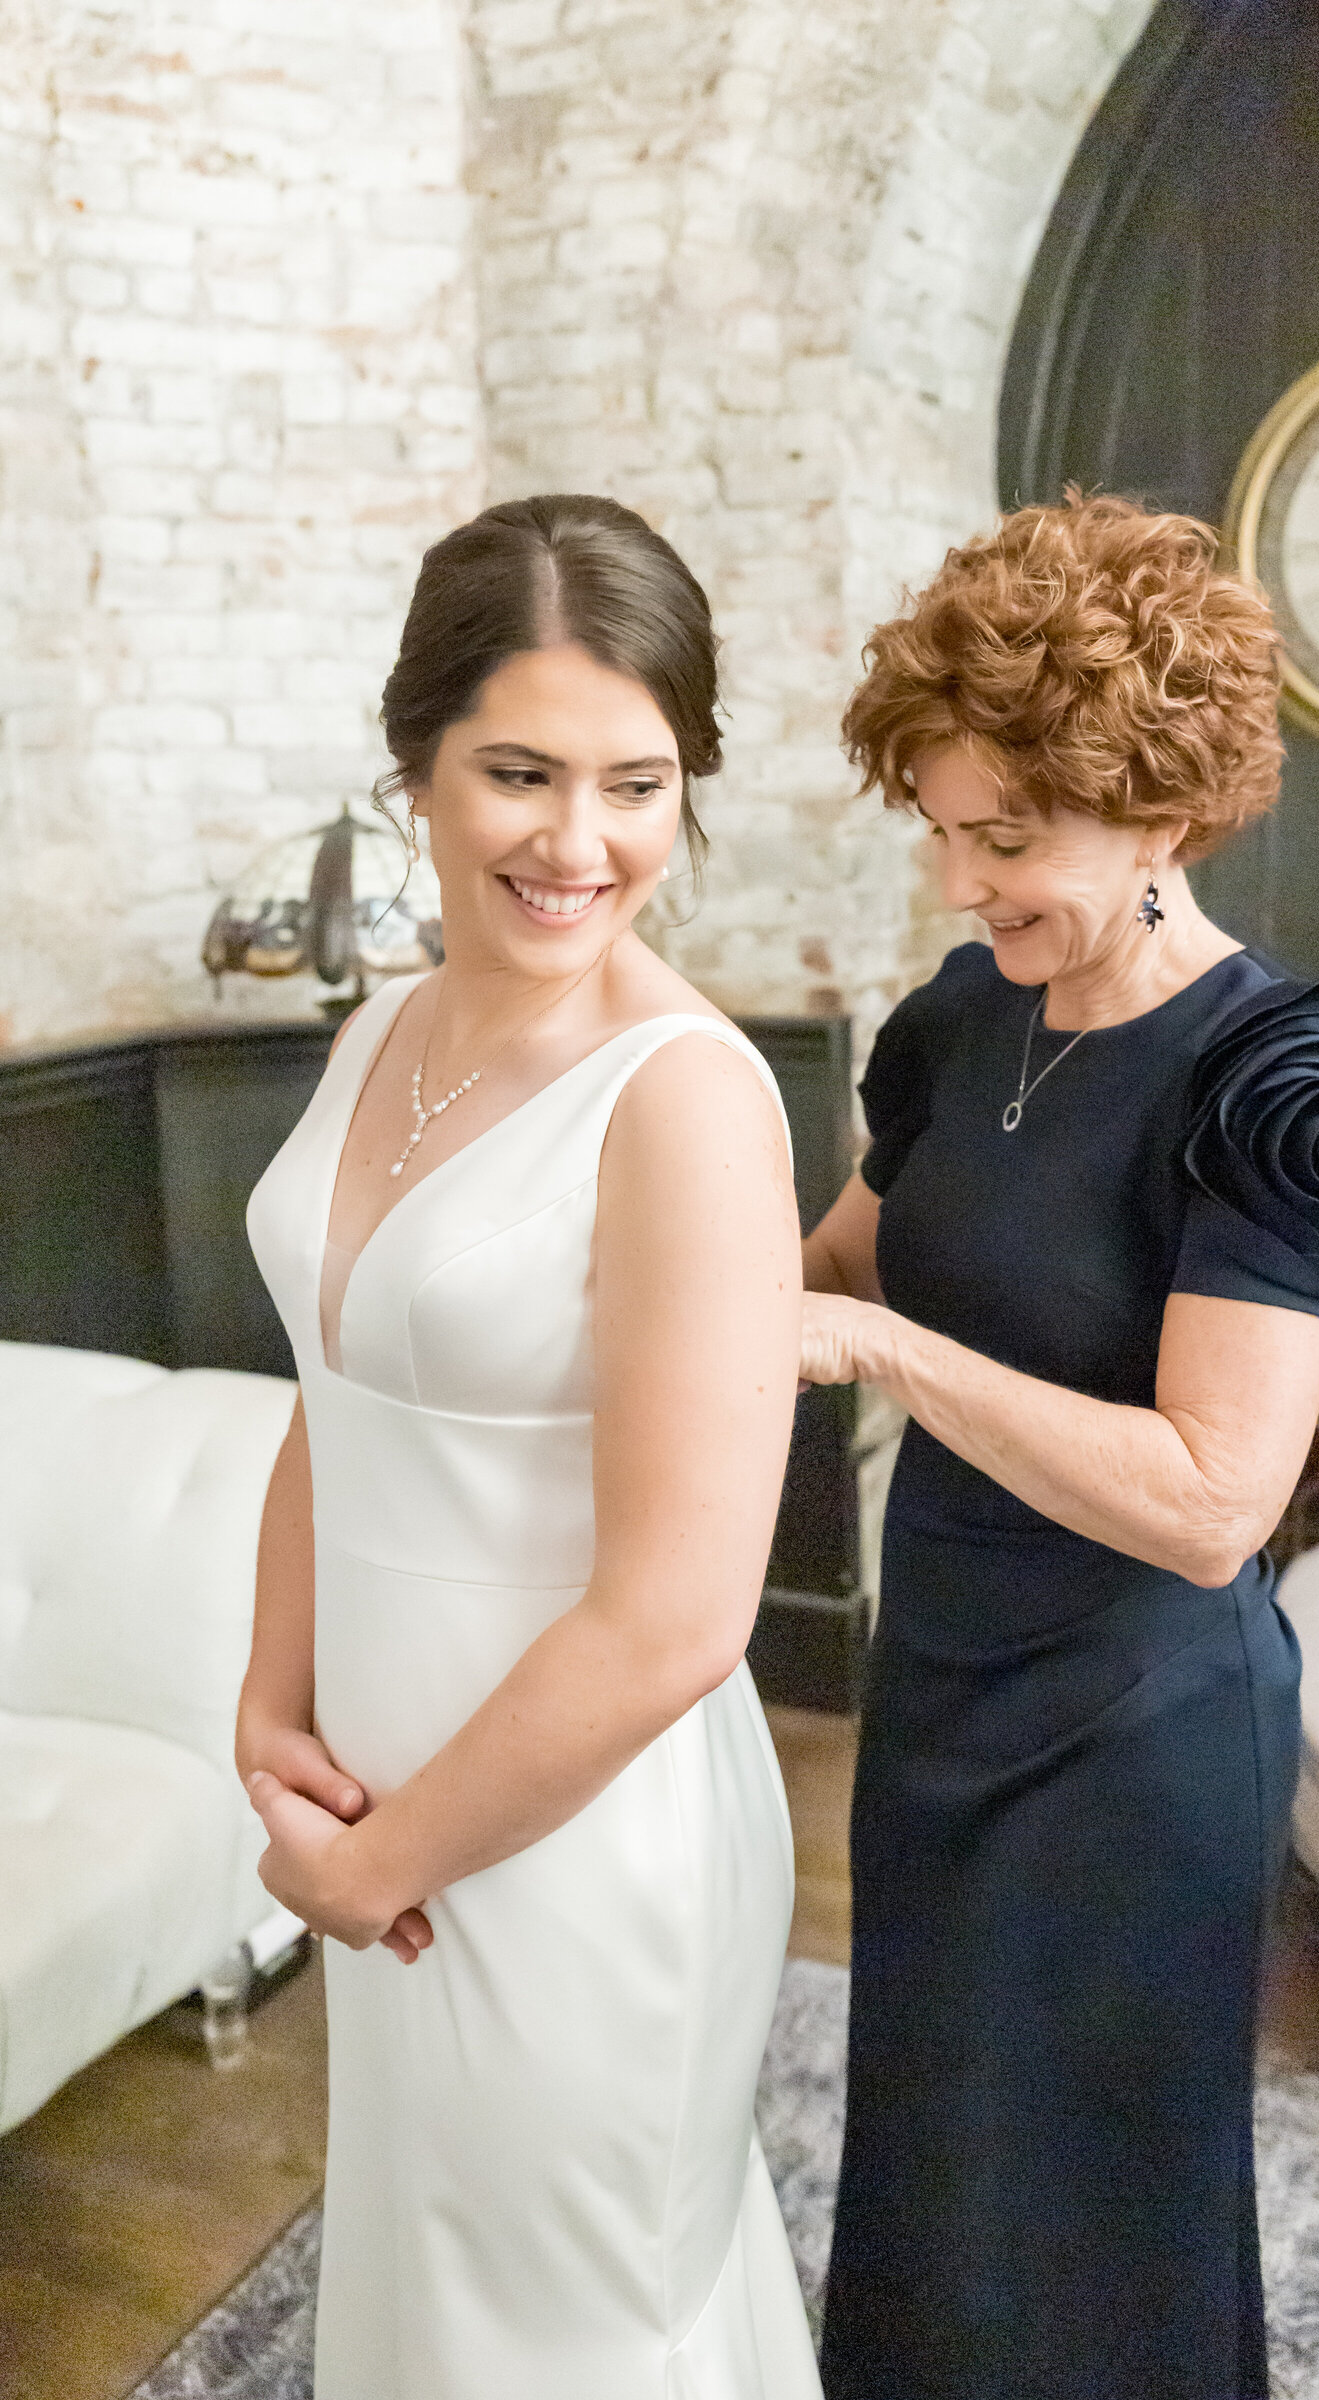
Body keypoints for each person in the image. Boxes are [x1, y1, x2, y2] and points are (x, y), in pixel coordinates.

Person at [800, 491, 1319, 2400]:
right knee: (927, 2183)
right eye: (940, 828)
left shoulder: (1278, 1080)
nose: (956, 881)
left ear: (1159, 807)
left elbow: (1209, 1497)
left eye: (1006, 838)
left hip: (1136, 1734)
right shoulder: (957, 1018)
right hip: (943, 1689)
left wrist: (883, 1347)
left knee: (1090, 2223)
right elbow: (830, 1261)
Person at [238, 495, 822, 2400]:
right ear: (414, 766)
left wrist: (378, 1854)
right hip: (383, 1799)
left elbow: (674, 1620)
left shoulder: (686, 1106)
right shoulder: (376, 1037)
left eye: (637, 784)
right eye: (518, 772)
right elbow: (341, 1399)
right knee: (431, 2290)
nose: (582, 845)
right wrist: (272, 1708)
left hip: (584, 1839)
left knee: (575, 2335)